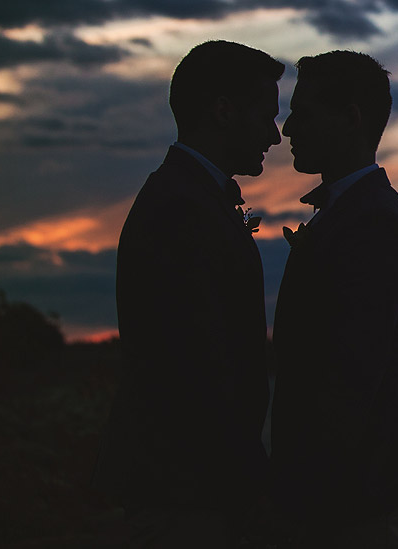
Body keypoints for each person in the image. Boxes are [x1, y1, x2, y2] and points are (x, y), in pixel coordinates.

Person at [93, 40, 284, 547]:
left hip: (196, 486)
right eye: (266, 116)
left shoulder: (190, 198)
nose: (275, 134)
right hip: (186, 493)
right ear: (223, 111)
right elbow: (193, 368)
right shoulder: (181, 210)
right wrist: (251, 490)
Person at [272, 50, 398, 548]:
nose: (287, 129)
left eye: (303, 112)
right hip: (359, 492)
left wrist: (298, 501)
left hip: (366, 499)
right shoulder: (355, 214)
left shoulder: (369, 223)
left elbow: (348, 378)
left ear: (351, 118)